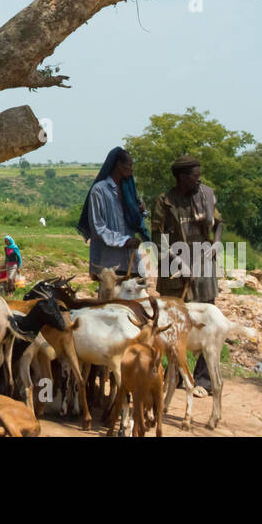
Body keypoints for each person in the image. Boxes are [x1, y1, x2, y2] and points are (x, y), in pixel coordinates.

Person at [152, 154, 223, 393]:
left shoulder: (205, 195)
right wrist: (178, 262)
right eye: (194, 175)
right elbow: (156, 238)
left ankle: (203, 378)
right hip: (174, 266)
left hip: (203, 265)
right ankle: (176, 376)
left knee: (206, 321)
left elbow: (219, 223)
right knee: (173, 323)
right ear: (182, 177)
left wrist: (217, 243)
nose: (198, 178)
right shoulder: (164, 201)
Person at [77, 148, 150, 281]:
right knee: (111, 300)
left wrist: (140, 212)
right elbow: (98, 227)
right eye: (130, 165)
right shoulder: (99, 190)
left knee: (136, 298)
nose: (132, 169)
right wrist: (124, 241)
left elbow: (133, 220)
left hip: (131, 260)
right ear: (119, 165)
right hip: (109, 263)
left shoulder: (129, 191)